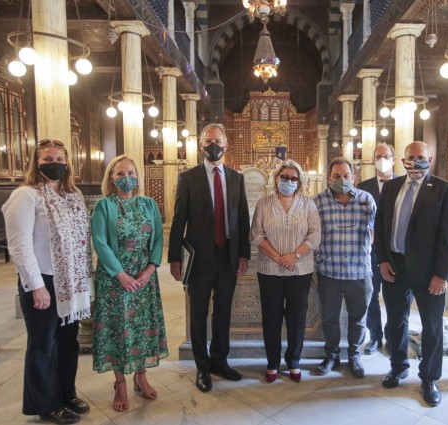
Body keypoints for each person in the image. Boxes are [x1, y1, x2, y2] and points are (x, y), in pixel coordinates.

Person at [2, 139, 92, 424]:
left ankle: (66, 393)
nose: (54, 163)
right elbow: (20, 245)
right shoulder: (26, 196)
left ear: (67, 162)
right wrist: (36, 285)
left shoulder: (72, 193)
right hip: (44, 281)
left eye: (59, 158)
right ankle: (46, 404)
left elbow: (81, 240)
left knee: (67, 343)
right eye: (47, 158)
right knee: (43, 345)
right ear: (36, 162)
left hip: (71, 282)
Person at [374, 141, 448, 407]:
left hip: (428, 270)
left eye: (420, 157)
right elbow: (380, 227)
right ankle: (398, 366)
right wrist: (383, 260)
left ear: (430, 158)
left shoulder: (444, 189)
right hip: (395, 266)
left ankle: (429, 378)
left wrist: (441, 274)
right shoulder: (391, 187)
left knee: (432, 326)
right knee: (395, 321)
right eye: (411, 158)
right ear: (402, 160)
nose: (415, 162)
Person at [168, 123, 251, 393]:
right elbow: (178, 219)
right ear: (200, 145)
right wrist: (174, 258)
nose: (213, 146)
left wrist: (243, 254)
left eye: (217, 141)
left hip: (227, 255)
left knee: (223, 312)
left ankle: (220, 361)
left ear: (226, 145)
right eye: (208, 141)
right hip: (199, 258)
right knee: (199, 313)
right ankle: (202, 367)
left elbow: (242, 219)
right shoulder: (188, 178)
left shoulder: (236, 178)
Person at [91, 155, 168, 411]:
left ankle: (141, 376)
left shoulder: (148, 204)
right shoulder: (104, 206)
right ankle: (120, 383)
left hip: (144, 279)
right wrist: (120, 275)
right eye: (120, 173)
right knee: (119, 329)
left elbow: (157, 239)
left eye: (131, 173)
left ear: (138, 176)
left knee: (143, 327)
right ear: (111, 178)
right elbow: (100, 242)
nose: (127, 178)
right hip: (115, 281)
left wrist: (149, 268)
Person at [250, 160, 321, 383]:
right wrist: (278, 257)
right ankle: (272, 361)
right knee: (271, 317)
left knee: (297, 317)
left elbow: (315, 235)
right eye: (284, 177)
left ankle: (294, 360)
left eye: (293, 178)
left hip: (300, 270)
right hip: (269, 269)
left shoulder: (308, 204)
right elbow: (256, 235)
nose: (288, 181)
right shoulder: (264, 203)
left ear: (299, 181)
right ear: (276, 178)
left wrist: (295, 256)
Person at [313, 157, 376, 379]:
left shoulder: (367, 200)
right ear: (329, 178)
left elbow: (376, 230)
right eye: (337, 176)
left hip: (359, 272)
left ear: (354, 177)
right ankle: (331, 355)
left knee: (358, 319)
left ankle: (354, 355)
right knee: (329, 318)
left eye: (346, 176)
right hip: (330, 271)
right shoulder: (318, 202)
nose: (342, 180)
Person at [357, 143, 396, 355]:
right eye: (379, 156)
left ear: (394, 158)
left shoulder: (404, 184)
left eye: (387, 155)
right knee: (371, 296)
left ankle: (392, 336)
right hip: (370, 253)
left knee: (395, 298)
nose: (383, 159)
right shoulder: (363, 187)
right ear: (373, 160)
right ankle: (375, 336)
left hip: (396, 254)